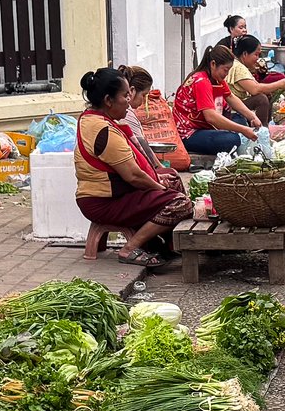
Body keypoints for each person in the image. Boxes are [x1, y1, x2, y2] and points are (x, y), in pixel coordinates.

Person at [74, 66, 203, 269]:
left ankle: (167, 244)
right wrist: (159, 187)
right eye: (125, 95)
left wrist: (161, 179)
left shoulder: (94, 119)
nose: (129, 100)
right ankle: (130, 248)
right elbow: (133, 176)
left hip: (114, 196)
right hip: (103, 202)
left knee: (173, 179)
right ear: (108, 100)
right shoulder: (103, 130)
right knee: (180, 203)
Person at [174, 43, 264, 155]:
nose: (226, 74)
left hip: (206, 126)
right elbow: (211, 117)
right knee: (232, 140)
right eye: (225, 70)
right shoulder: (201, 81)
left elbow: (230, 97)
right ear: (213, 64)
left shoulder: (217, 79)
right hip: (189, 133)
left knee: (240, 119)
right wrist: (243, 130)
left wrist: (252, 117)